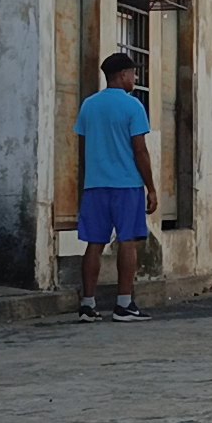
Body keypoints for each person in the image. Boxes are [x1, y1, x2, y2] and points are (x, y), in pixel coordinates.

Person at [74, 51, 158, 322]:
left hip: (95, 184)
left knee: (94, 243)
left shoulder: (88, 105)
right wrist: (151, 187)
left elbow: (82, 148)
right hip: (126, 184)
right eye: (133, 73)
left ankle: (87, 304)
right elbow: (140, 150)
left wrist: (86, 180)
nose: (136, 77)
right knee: (127, 242)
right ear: (122, 75)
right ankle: (123, 303)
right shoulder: (133, 106)